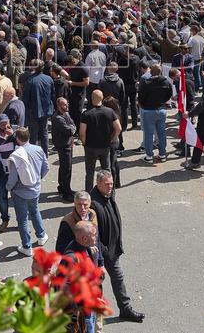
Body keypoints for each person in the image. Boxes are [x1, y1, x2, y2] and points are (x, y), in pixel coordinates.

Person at [90, 170, 144, 323]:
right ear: (98, 184)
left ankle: (124, 309)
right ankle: (90, 316)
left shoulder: (107, 196)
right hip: (102, 253)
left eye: (112, 183)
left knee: (117, 278)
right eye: (106, 184)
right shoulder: (93, 204)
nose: (110, 187)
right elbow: (94, 234)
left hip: (112, 249)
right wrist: (103, 252)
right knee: (98, 282)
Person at [7, 127, 49, 256]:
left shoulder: (16, 155)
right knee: (35, 211)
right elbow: (46, 168)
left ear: (17, 139)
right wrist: (37, 179)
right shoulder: (38, 149)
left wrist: (8, 188)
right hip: (35, 190)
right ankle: (41, 236)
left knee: (22, 219)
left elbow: (13, 177)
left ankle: (26, 246)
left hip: (20, 192)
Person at [79, 89, 120, 191]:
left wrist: (84, 142)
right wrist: (112, 138)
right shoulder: (109, 112)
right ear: (102, 98)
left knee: (89, 173)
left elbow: (82, 132)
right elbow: (118, 128)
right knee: (106, 171)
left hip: (90, 146)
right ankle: (108, 192)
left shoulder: (86, 114)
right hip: (105, 146)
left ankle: (89, 195)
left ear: (91, 98)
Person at [138, 63, 173, 163]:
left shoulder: (146, 83)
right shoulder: (166, 82)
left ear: (151, 72)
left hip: (148, 110)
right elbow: (169, 95)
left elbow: (141, 97)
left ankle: (149, 156)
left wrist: (144, 105)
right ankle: (162, 154)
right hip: (161, 110)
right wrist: (162, 102)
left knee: (149, 134)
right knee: (161, 133)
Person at [55, 191, 98, 255]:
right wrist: (87, 248)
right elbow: (60, 249)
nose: (82, 208)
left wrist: (101, 262)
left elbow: (98, 238)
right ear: (74, 204)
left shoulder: (93, 214)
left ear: (89, 204)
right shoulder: (67, 222)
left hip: (94, 258)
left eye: (85, 204)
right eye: (79, 204)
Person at [51, 97, 77, 201]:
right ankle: (66, 192)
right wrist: (72, 129)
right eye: (64, 105)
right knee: (66, 168)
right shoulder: (57, 117)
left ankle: (62, 187)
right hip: (64, 145)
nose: (66, 106)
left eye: (67, 104)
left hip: (68, 144)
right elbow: (68, 130)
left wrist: (72, 129)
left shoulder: (65, 114)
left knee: (64, 166)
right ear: (59, 106)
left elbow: (73, 125)